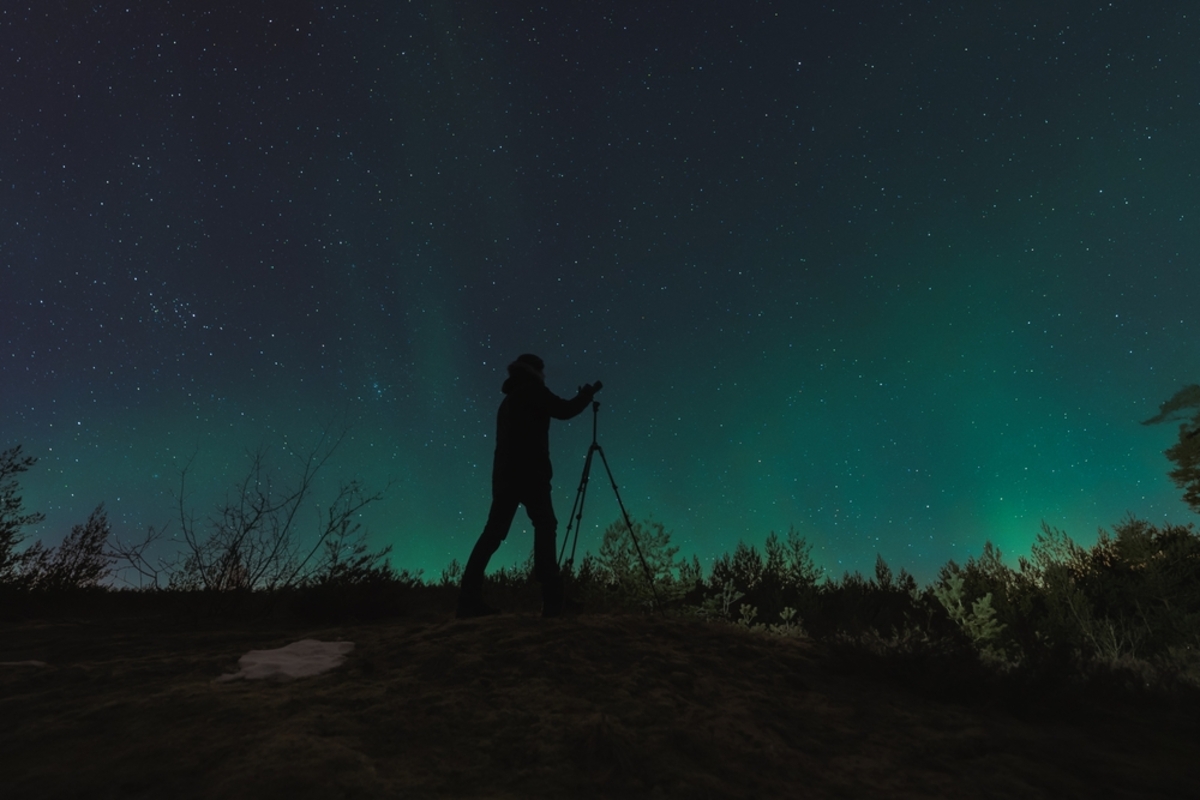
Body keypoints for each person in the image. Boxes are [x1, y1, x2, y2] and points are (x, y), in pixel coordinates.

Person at [457, 354, 602, 619]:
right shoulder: (533, 391)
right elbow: (565, 410)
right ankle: (553, 601)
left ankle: (468, 600)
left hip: (505, 476)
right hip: (530, 474)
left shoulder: (508, 400)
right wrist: (587, 396)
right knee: (545, 525)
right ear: (535, 371)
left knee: (492, 534)